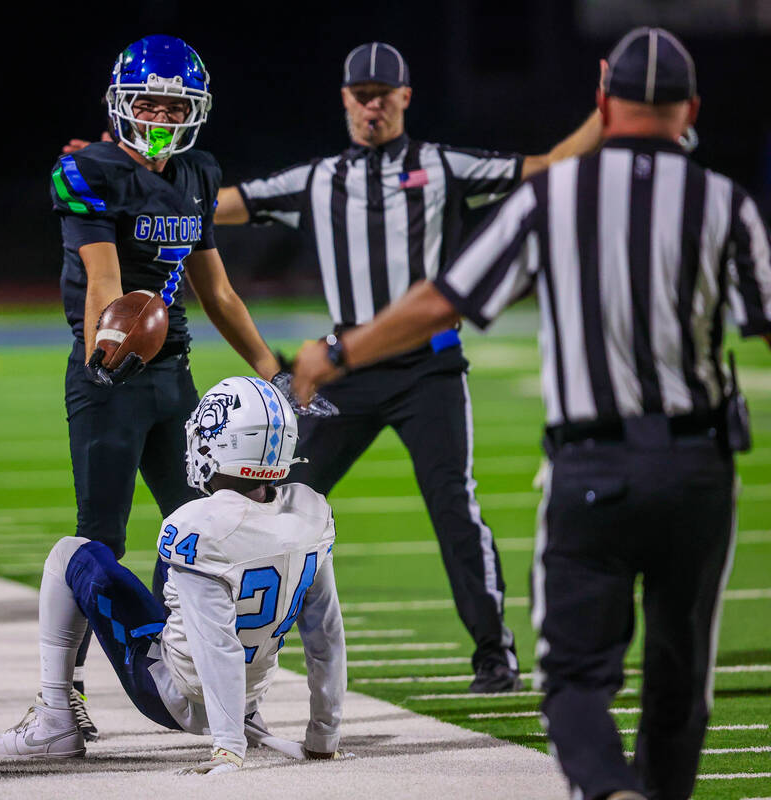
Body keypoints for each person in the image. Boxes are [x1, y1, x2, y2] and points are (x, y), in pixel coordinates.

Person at [293, 27, 760, 800]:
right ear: (691, 111)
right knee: (680, 685)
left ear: (604, 104)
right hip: (698, 470)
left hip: (592, 466)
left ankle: (607, 789)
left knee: (574, 681)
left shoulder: (554, 197)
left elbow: (447, 297)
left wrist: (339, 353)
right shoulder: (725, 203)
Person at [210, 42, 605, 692]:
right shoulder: (315, 180)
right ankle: (242, 644)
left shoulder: (441, 165)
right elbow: (215, 208)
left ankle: (494, 655)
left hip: (429, 368)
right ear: (344, 99)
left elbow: (552, 166)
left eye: (382, 94)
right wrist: (139, 180)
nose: (372, 105)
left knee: (453, 503)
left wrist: (602, 116)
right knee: (278, 495)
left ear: (405, 97)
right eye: (360, 94)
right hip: (345, 372)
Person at [52, 34, 334, 739]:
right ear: (121, 102)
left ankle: (203, 676)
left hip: (174, 375)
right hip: (109, 375)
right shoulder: (87, 170)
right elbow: (106, 284)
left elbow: (218, 291)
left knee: (209, 525)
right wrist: (105, 349)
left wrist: (273, 369)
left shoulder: (199, 172)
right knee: (98, 538)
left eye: (173, 104)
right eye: (147, 101)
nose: (158, 114)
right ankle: (62, 701)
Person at [0, 377, 345, 772]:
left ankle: (54, 721)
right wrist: (323, 737)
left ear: (225, 446)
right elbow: (326, 636)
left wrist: (228, 747)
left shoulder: (201, 526)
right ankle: (246, 719)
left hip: (178, 696)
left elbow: (215, 646)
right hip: (248, 697)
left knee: (73, 554)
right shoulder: (310, 512)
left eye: (207, 435)